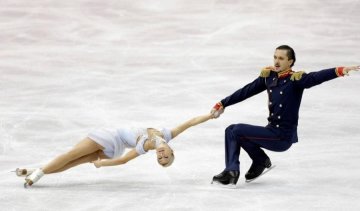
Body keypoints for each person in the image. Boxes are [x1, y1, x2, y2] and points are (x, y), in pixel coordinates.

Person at [210, 45, 359, 187]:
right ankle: (260, 161)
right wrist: (223, 103)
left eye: (281, 58)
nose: (276, 61)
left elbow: (316, 77)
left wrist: (339, 70)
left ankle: (231, 172)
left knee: (234, 131)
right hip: (271, 130)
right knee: (234, 131)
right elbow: (246, 91)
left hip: (282, 136)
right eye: (275, 57)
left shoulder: (296, 79)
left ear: (290, 61)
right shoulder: (269, 77)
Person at [18, 113, 214, 187]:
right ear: (172, 151)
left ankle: (38, 174)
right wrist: (212, 114)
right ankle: (34, 170)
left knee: (71, 156)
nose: (161, 155)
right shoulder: (167, 134)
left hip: (110, 139)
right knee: (73, 162)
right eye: (165, 157)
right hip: (114, 148)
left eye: (160, 159)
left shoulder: (146, 146)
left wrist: (102, 164)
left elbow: (123, 161)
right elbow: (190, 122)